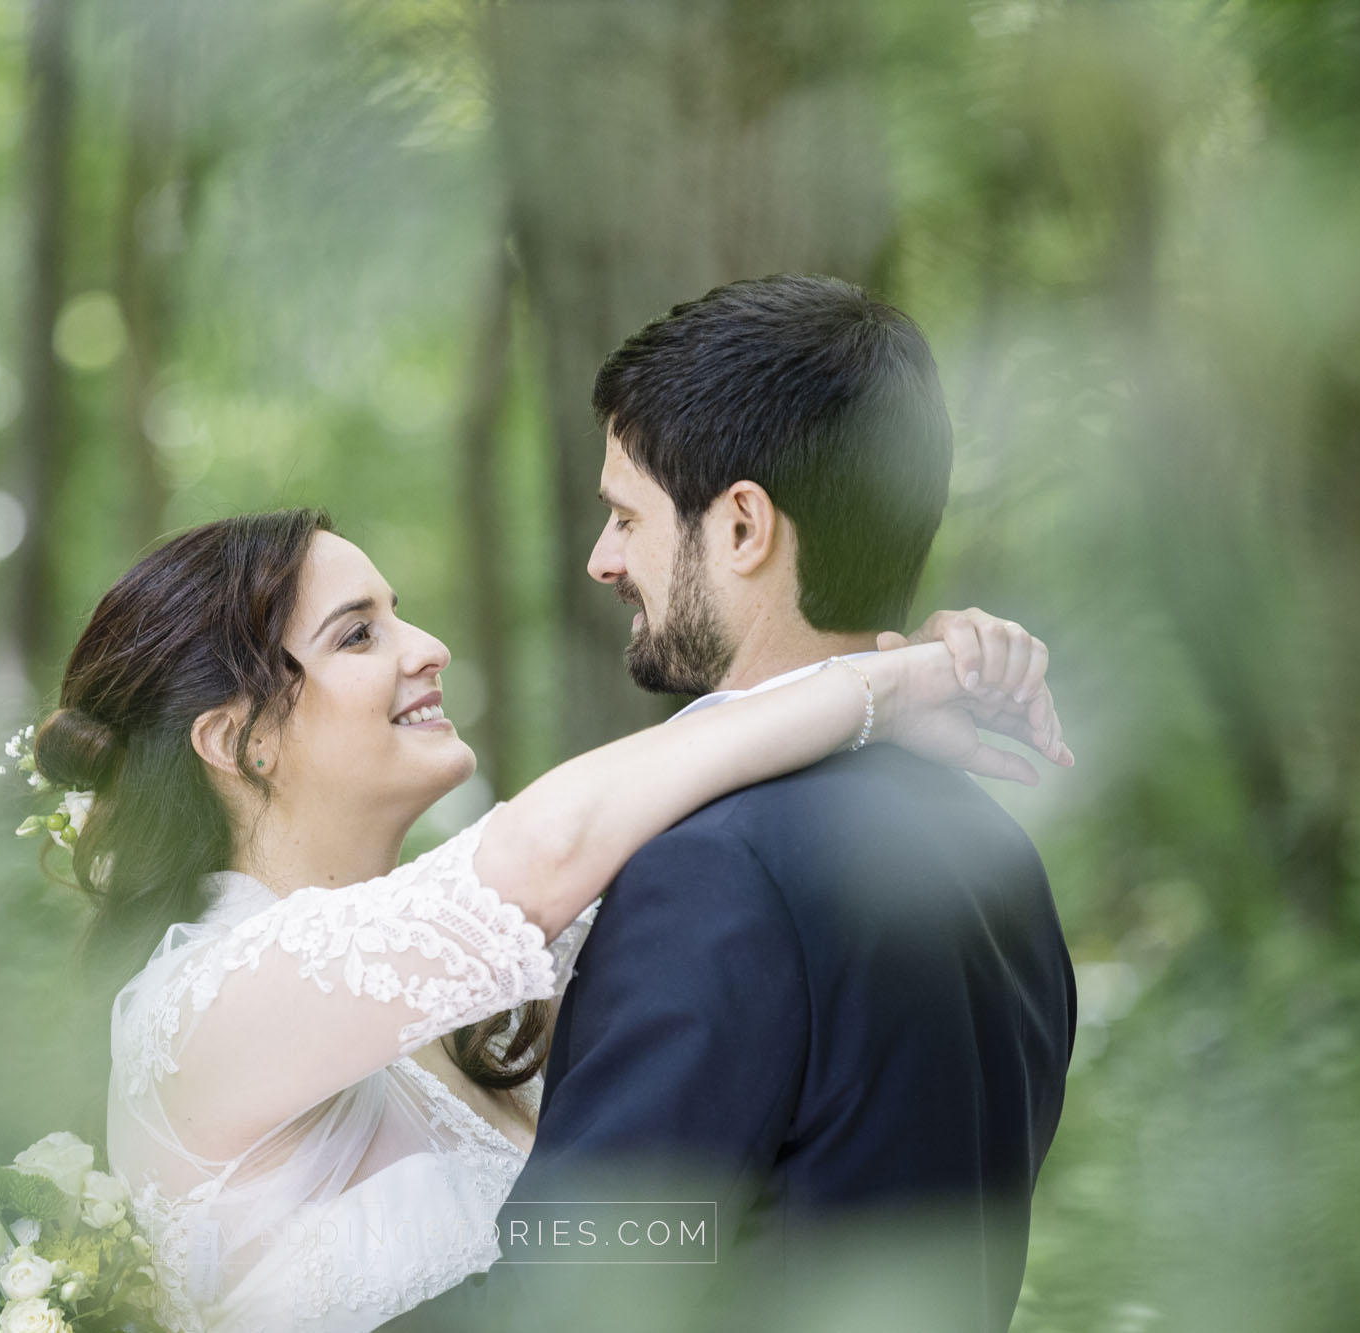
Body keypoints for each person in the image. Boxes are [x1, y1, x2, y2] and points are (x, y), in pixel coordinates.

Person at [24, 499, 1068, 1332]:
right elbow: (552, 844)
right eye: (358, 634)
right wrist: (881, 686)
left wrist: (893, 689)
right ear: (237, 740)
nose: (426, 647)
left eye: (399, 611)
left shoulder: (472, 996)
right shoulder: (198, 1012)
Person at [401, 274, 1079, 1333]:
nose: (602, 559)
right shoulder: (987, 844)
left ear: (742, 525)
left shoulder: (713, 871)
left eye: (626, 514)